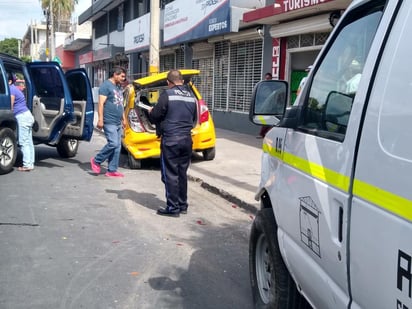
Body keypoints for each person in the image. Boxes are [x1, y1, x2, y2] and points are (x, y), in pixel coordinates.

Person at [149, 69, 197, 217]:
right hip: (187, 140)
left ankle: (173, 208)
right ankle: (182, 205)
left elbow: (156, 116)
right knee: (182, 173)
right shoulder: (191, 96)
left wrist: (151, 111)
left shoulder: (167, 95)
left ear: (168, 82)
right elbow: (194, 119)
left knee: (170, 174)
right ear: (181, 81)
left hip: (171, 140)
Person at [90, 67, 127, 178]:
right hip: (109, 121)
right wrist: (100, 119)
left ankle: (112, 169)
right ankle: (96, 160)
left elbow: (120, 104)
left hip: (117, 122)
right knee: (113, 143)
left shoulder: (118, 87)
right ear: (115, 74)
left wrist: (124, 118)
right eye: (122, 76)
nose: (123, 79)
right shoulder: (106, 86)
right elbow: (101, 104)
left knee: (117, 147)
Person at [8, 73, 35, 172]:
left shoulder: (11, 89)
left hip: (22, 117)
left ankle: (27, 165)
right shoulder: (15, 88)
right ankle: (30, 164)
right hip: (27, 115)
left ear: (10, 81)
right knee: (29, 142)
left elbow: (11, 106)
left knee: (24, 142)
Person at [258, 72, 273, 138]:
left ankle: (264, 134)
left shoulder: (273, 86)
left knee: (270, 121)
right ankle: (262, 134)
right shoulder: (262, 86)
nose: (267, 80)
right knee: (265, 121)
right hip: (264, 106)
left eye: (269, 78)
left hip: (272, 106)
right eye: (266, 78)